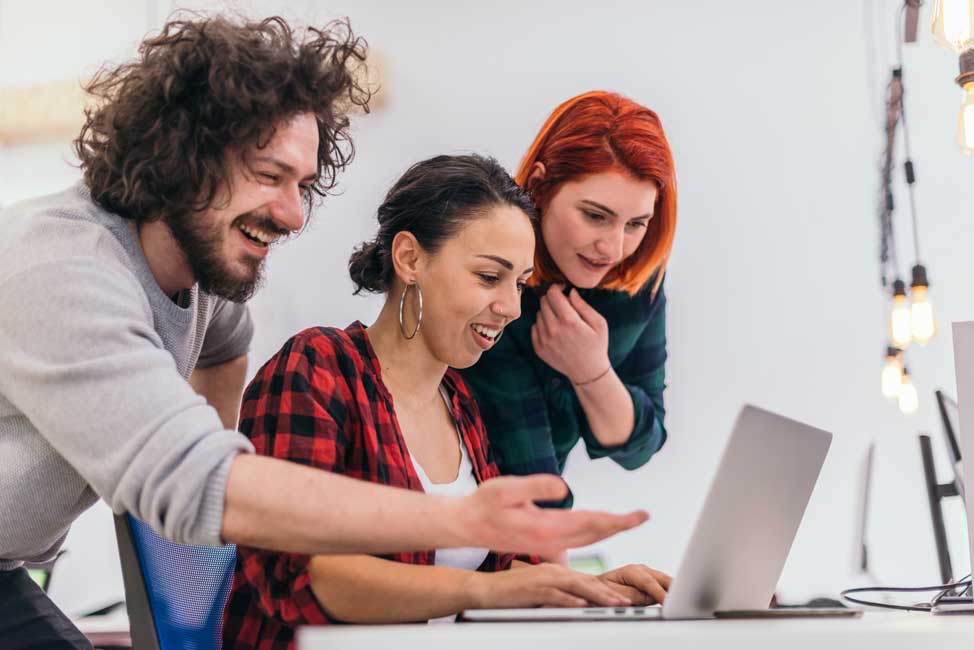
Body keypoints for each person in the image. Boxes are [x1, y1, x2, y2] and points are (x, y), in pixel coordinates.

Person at [0, 21, 645, 648]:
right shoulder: (65, 272)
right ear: (182, 156)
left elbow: (226, 342)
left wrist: (570, 586)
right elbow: (212, 492)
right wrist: (455, 520)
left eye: (303, 183)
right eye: (268, 175)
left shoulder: (198, 282)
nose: (294, 213)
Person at [222, 154, 670, 647]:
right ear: (410, 259)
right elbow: (300, 576)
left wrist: (587, 590)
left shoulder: (460, 403)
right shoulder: (317, 368)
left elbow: (501, 570)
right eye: (488, 277)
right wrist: (483, 591)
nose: (511, 308)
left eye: (519, 283)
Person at [460, 91, 677, 506]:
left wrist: (591, 370)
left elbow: (641, 447)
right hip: (459, 525)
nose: (612, 249)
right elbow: (531, 489)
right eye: (595, 216)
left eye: (636, 224)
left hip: (531, 540)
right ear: (540, 186)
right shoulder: (491, 278)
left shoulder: (638, 285)